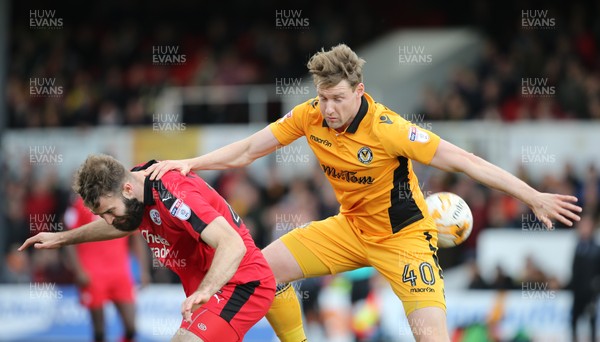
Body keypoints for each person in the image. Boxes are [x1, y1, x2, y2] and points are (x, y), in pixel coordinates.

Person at [144, 44, 582, 342]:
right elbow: (248, 150)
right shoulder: (309, 115)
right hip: (349, 229)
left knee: (430, 335)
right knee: (261, 271)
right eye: (322, 98)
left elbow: (465, 160)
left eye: (336, 98)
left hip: (404, 238)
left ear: (359, 91)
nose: (328, 109)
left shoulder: (389, 129)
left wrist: (533, 196)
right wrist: (190, 164)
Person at [20, 154, 276, 342]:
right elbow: (124, 224)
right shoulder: (135, 191)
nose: (109, 221)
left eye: (109, 212)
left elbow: (233, 244)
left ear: (128, 189)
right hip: (209, 295)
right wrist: (62, 238)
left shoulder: (174, 194)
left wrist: (205, 291)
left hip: (240, 285)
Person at [63, 195, 150, 342]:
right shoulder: (81, 204)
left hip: (120, 273)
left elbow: (136, 238)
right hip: (92, 274)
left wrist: (143, 271)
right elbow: (68, 237)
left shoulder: (124, 203)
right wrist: (78, 270)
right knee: (100, 332)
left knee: (131, 328)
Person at [568, 215, 600, 342]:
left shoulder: (596, 249)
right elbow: (574, 270)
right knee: (574, 319)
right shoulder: (578, 247)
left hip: (590, 292)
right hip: (577, 292)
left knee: (591, 320)